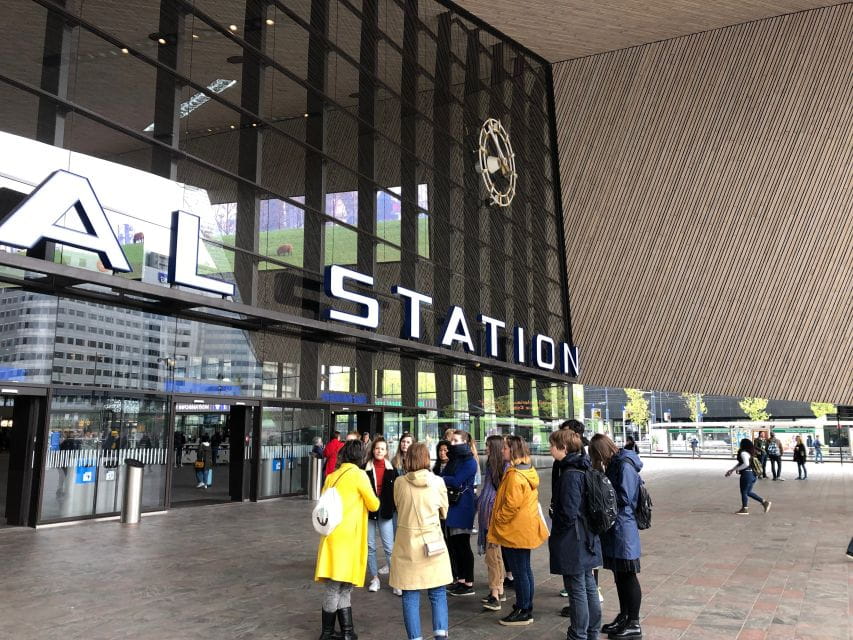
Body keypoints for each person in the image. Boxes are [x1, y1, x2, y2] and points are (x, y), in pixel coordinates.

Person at [315, 440, 380, 640]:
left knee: (341, 585)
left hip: (331, 536)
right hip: (348, 539)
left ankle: (347, 632)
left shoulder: (332, 476)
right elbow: (374, 504)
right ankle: (327, 633)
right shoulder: (359, 476)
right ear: (360, 456)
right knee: (338, 586)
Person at [389, 442, 452, 640]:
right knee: (438, 593)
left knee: (410, 595)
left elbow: (398, 506)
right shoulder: (438, 482)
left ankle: (415, 638)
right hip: (433, 545)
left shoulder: (399, 482)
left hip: (407, 545)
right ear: (427, 458)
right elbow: (444, 512)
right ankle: (440, 636)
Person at [488, 434, 549, 626]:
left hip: (515, 529)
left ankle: (524, 609)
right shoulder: (526, 469)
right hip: (523, 528)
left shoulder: (515, 475)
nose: (502, 450)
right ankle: (525, 606)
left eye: (505, 448)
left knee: (520, 571)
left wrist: (497, 519)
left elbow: (510, 505)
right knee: (524, 569)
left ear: (512, 450)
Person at [549, 429, 602, 640]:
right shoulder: (583, 467)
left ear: (563, 448)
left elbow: (568, 513)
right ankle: (592, 632)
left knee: (577, 588)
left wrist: (558, 529)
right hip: (587, 536)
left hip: (574, 539)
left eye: (552, 445)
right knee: (588, 585)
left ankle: (579, 634)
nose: (550, 448)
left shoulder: (570, 474)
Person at [589, 433, 643, 639]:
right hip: (616, 527)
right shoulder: (614, 463)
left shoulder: (624, 464)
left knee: (628, 575)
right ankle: (624, 616)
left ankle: (634, 622)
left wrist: (602, 495)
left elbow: (625, 497)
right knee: (619, 576)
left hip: (624, 528)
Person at [441, 429, 479, 597]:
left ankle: (468, 582)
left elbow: (455, 481)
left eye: (456, 441)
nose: (452, 443)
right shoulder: (454, 459)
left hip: (462, 506)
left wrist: (443, 479)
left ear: (464, 442)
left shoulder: (470, 461)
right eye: (452, 440)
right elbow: (445, 476)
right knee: (455, 545)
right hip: (452, 505)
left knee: (462, 544)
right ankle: (461, 579)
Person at [364, 437, 399, 594]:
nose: (379, 451)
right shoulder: (364, 468)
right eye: (377, 448)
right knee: (370, 546)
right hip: (369, 512)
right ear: (373, 450)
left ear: (386, 451)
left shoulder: (392, 469)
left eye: (382, 449)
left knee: (389, 547)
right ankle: (374, 578)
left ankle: (396, 580)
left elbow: (397, 491)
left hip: (385, 511)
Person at [477, 435, 507, 611]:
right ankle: (499, 589)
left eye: (488, 446)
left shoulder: (502, 467)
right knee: (495, 555)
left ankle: (495, 593)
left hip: (492, 517)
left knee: (492, 555)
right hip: (489, 515)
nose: (486, 448)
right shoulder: (492, 465)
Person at [726, 438, 771, 516]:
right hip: (752, 475)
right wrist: (732, 470)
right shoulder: (750, 453)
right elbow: (741, 463)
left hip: (746, 474)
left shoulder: (743, 453)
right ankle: (764, 502)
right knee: (748, 492)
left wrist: (737, 469)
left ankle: (745, 509)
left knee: (744, 492)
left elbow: (746, 464)